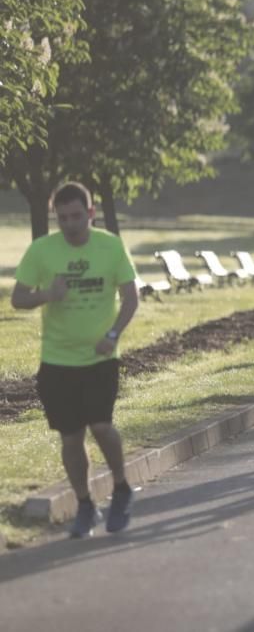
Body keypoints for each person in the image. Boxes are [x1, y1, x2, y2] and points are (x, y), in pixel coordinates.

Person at [11, 182, 140, 538]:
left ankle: (121, 487)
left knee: (101, 426)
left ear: (91, 213)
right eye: (62, 217)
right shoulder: (42, 251)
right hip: (57, 360)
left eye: (76, 216)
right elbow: (18, 299)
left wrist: (112, 335)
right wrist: (47, 294)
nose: (69, 224)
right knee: (71, 438)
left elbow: (131, 298)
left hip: (100, 358)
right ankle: (85, 504)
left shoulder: (110, 247)